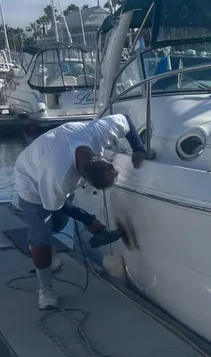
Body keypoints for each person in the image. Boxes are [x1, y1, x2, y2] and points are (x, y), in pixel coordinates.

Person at [14, 113, 146, 310]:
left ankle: (44, 246)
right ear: (81, 176)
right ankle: (46, 288)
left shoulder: (97, 133)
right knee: (41, 235)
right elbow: (55, 205)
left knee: (58, 224)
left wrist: (138, 148)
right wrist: (88, 220)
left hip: (48, 157)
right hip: (30, 181)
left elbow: (126, 118)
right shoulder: (59, 175)